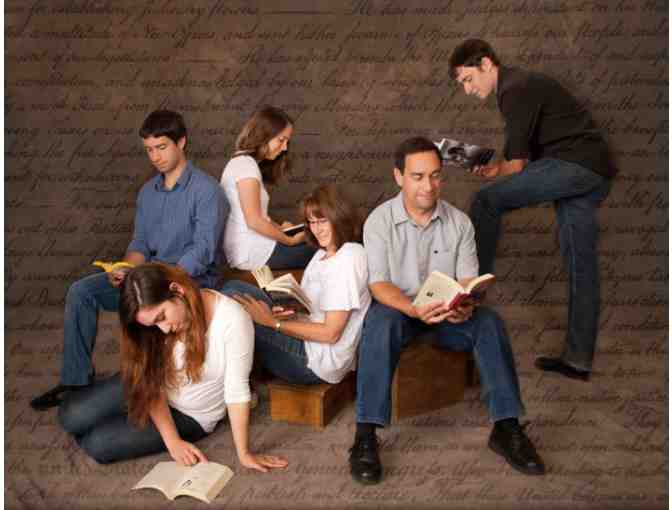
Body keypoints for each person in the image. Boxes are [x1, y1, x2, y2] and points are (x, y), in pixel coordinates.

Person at [348, 137, 545, 485]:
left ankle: (507, 428)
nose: (428, 186)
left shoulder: (460, 222)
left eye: (435, 175)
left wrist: (466, 304)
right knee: (378, 321)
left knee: (489, 322)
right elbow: (378, 284)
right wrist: (413, 309)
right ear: (399, 177)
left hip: (446, 317)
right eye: (418, 176)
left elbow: (468, 280)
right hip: (402, 312)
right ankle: (365, 436)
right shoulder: (378, 221)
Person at [30, 110, 230, 411]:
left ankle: (147, 382)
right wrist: (126, 268)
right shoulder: (147, 193)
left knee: (153, 298)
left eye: (161, 147)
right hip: (148, 278)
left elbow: (202, 251)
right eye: (149, 150)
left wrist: (157, 280)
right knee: (82, 292)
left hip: (188, 281)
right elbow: (140, 244)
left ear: (181, 142)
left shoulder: (207, 190)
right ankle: (76, 382)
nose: (155, 157)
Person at [449, 39, 614, 381]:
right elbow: (516, 163)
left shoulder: (513, 88)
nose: (467, 89)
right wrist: (496, 168)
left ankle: (468, 296)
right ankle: (578, 360)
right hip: (593, 170)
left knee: (485, 202)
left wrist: (496, 170)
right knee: (580, 264)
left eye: (468, 79)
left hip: (572, 166)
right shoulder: (519, 84)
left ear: (486, 64)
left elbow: (517, 166)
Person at [57, 263, 287, 470]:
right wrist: (170, 439)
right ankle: (127, 411)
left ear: (177, 291)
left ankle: (125, 415)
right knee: (70, 416)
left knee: (97, 444)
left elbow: (236, 391)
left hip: (190, 414)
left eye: (161, 317)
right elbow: (150, 379)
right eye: (153, 324)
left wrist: (244, 454)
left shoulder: (232, 319)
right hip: (151, 389)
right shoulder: (153, 328)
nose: (164, 329)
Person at [223, 184, 371, 386]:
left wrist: (273, 323)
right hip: (305, 337)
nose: (316, 229)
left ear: (339, 216)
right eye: (311, 222)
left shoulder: (348, 258)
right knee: (233, 288)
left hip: (316, 360)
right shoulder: (322, 254)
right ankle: (236, 381)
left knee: (232, 301)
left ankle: (233, 385)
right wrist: (284, 312)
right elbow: (309, 309)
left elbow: (331, 334)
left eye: (322, 221)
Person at [220, 105, 316, 271]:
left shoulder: (242, 163)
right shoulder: (246, 166)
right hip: (252, 251)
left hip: (251, 248)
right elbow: (254, 221)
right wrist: (289, 240)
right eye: (281, 140)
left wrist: (281, 229)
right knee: (327, 246)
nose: (285, 147)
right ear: (264, 135)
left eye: (287, 142)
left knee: (318, 241)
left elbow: (257, 217)